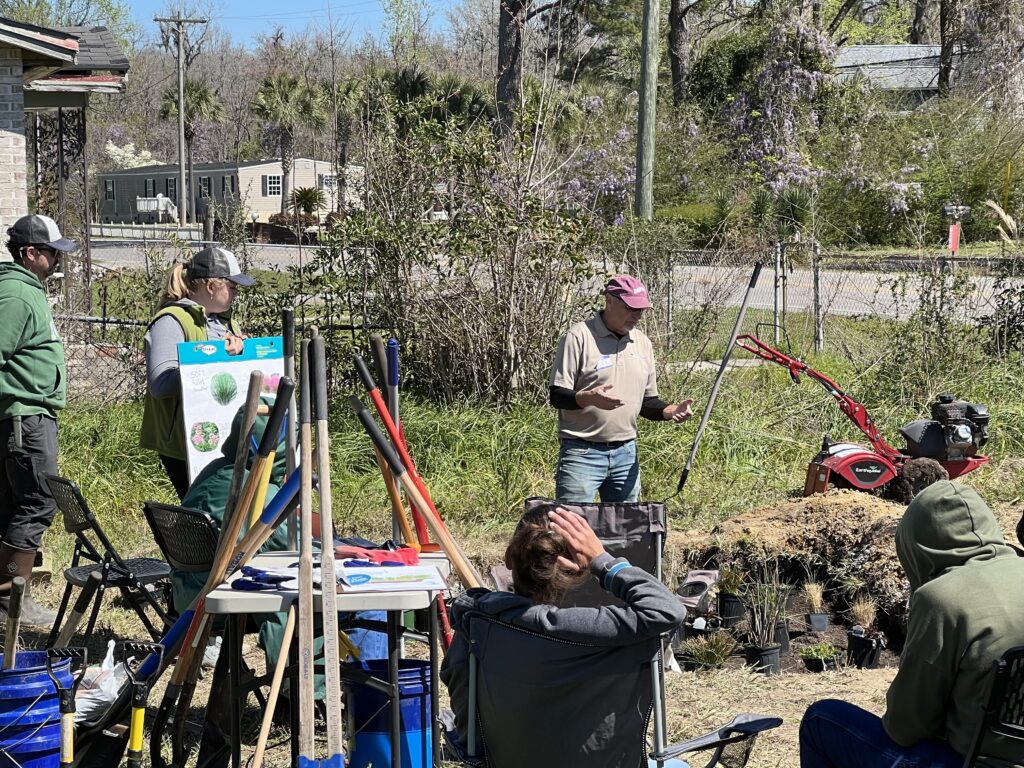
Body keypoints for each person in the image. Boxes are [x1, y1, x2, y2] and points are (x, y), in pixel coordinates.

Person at [799, 480, 1024, 768]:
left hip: (971, 762)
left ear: (915, 544)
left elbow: (906, 727)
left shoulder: (941, 599)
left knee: (821, 720)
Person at [441, 508, 686, 758]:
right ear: (579, 567)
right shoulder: (600, 632)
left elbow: (461, 700)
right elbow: (668, 610)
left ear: (508, 559)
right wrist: (602, 560)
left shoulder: (478, 621)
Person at [549, 275, 693, 503]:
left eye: (641, 310)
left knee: (623, 531)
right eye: (630, 308)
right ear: (609, 300)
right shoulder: (579, 337)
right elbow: (557, 395)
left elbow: (647, 402)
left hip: (625, 454)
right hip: (581, 453)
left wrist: (670, 411)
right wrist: (587, 398)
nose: (636, 315)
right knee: (572, 529)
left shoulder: (643, 343)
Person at [0, 214, 76, 628]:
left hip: (29, 413)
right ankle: (11, 602)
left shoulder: (26, 290)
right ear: (31, 253)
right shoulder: (16, 294)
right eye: (52, 253)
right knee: (37, 499)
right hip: (24, 416)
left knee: (16, 503)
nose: (57, 261)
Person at [141, 246, 254, 500]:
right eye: (232, 286)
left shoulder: (226, 322)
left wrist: (245, 356)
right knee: (204, 511)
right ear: (212, 287)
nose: (237, 293)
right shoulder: (171, 321)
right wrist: (218, 357)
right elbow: (160, 384)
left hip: (221, 436)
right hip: (185, 445)